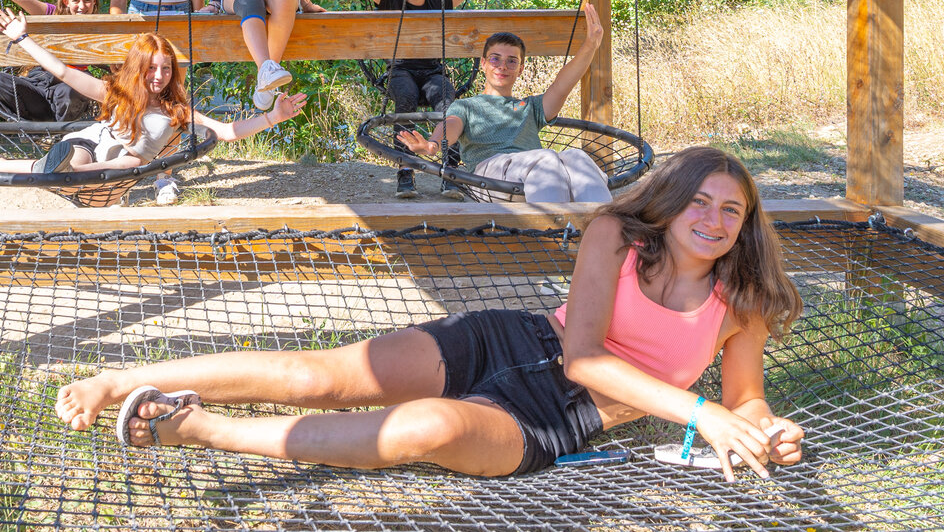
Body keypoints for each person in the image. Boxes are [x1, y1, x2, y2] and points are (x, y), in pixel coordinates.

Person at [53, 146, 805, 480]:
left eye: (730, 209)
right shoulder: (618, 236)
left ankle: (203, 428)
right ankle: (124, 375)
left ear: (746, 222)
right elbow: (583, 356)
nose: (712, 218)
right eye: (699, 201)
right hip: (511, 339)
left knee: (426, 428)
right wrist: (701, 411)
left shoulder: (741, 302)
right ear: (671, 201)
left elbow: (746, 394)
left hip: (562, 420)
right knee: (320, 374)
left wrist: (764, 424)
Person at [0, 9, 306, 184]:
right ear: (138, 70)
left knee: (130, 164)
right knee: (72, 157)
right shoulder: (116, 95)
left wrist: (274, 116)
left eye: (165, 69)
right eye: (151, 69)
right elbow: (62, 72)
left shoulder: (177, 109)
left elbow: (227, 131)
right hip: (89, 145)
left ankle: (14, 165)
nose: (159, 76)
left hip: (117, 169)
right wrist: (23, 38)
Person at [398, 5, 612, 203]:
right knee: (547, 159)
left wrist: (591, 45)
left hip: (532, 175)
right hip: (489, 178)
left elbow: (563, 84)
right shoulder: (467, 106)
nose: (503, 66)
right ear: (483, 64)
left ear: (520, 69)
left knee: (577, 157)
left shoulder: (531, 107)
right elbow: (451, 125)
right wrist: (433, 144)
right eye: (495, 59)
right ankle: (553, 234)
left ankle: (602, 230)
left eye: (512, 61)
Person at [356, 0, 481, 199]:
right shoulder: (391, 1)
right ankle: (405, 171)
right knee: (406, 99)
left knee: (448, 103)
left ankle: (451, 171)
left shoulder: (438, 4)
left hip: (432, 73)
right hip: (399, 71)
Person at [108, 0, 206, 204]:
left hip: (179, 13)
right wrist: (116, 30)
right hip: (140, 15)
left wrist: (200, 15)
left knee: (173, 99)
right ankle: (124, 174)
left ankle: (164, 175)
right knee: (135, 97)